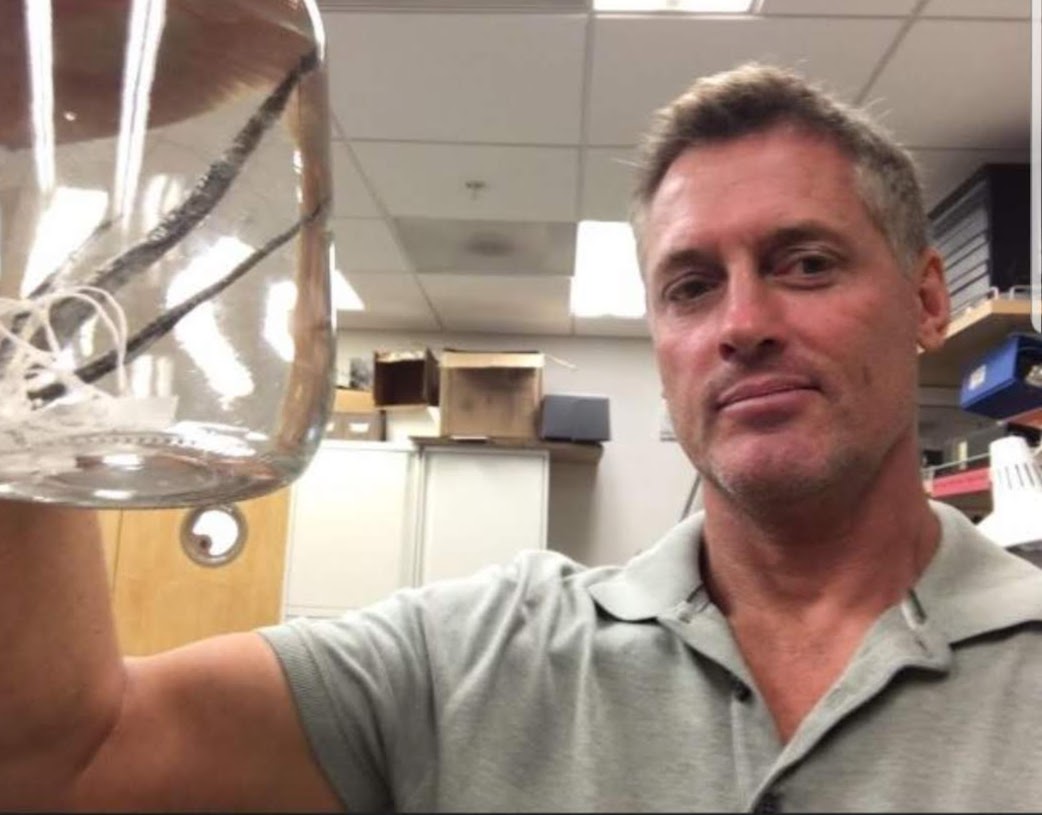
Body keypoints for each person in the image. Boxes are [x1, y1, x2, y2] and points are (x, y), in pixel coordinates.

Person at [3, 61, 1042, 812]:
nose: (740, 323)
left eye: (805, 263)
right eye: (690, 285)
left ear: (923, 300)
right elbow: (62, 755)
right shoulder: (467, 664)